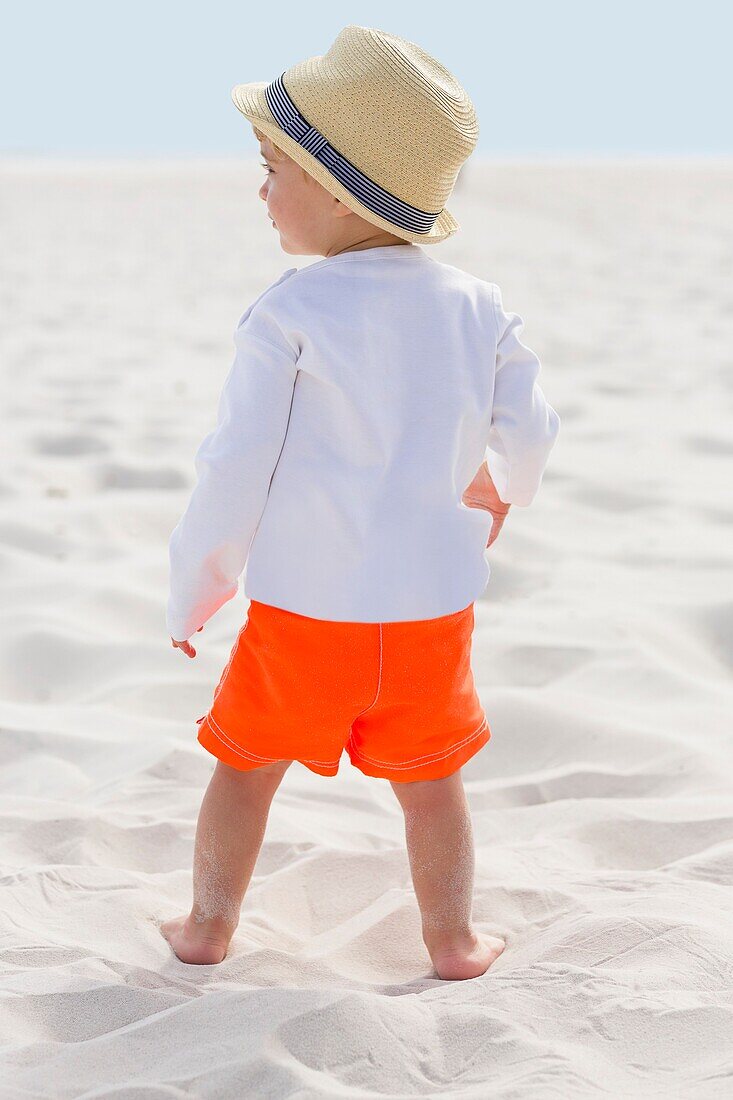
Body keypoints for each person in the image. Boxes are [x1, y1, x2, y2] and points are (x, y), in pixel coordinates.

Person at [160, 25, 560, 980]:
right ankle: (452, 943)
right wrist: (501, 489)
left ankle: (208, 929)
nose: (259, 190)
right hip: (427, 618)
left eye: (271, 167)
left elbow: (236, 464)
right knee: (433, 786)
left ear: (334, 189)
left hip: (306, 613)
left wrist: (199, 586)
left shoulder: (291, 311)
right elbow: (534, 424)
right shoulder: (477, 304)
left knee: (247, 768)